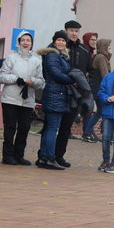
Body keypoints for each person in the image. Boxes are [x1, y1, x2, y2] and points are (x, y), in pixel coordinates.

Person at [0, 30, 45, 165]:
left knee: (24, 128)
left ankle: (19, 155)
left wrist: (33, 81)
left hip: (27, 100)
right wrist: (16, 79)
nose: (26, 43)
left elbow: (41, 82)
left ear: (32, 44)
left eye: (28, 41)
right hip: (10, 99)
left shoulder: (37, 61)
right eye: (23, 40)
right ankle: (7, 155)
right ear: (18, 43)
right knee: (10, 127)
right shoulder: (10, 58)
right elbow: (2, 76)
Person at [53, 20, 92, 167]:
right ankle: (47, 154)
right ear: (66, 31)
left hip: (75, 95)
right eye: (71, 30)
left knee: (66, 127)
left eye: (76, 31)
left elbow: (89, 71)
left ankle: (59, 156)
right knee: (52, 125)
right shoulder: (60, 46)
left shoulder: (84, 50)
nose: (74, 33)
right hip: (60, 90)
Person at [36, 30, 75, 170]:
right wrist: (73, 79)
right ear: (54, 41)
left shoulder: (61, 56)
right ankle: (49, 158)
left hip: (57, 94)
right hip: (55, 94)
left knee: (50, 128)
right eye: (58, 40)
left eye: (63, 41)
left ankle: (44, 157)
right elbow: (56, 74)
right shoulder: (53, 55)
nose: (61, 42)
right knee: (52, 128)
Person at [82, 37, 111, 143]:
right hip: (100, 89)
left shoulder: (102, 57)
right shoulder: (101, 58)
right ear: (104, 47)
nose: (110, 49)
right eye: (109, 47)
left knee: (100, 112)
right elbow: (105, 75)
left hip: (98, 88)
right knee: (101, 112)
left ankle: (87, 133)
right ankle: (88, 133)